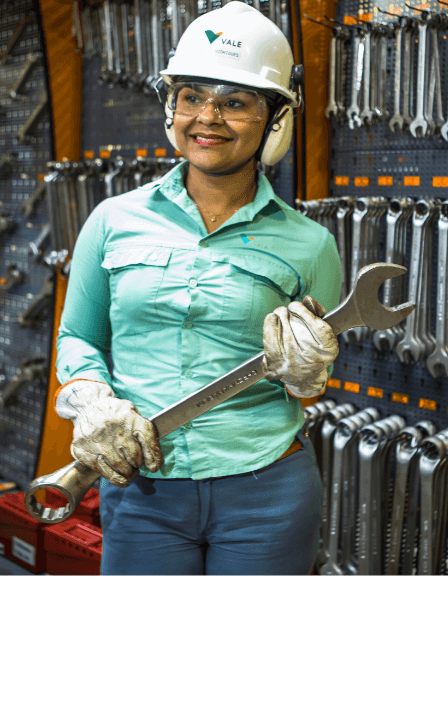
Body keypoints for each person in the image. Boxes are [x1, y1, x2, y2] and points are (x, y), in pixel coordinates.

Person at [53, 2, 343, 576]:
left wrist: (309, 370)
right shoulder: (112, 219)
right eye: (192, 97)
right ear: (171, 107)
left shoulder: (311, 245)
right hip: (144, 489)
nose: (208, 117)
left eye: (235, 102)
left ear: (275, 120)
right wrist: (91, 401)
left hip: (268, 490)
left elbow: (311, 386)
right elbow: (78, 338)